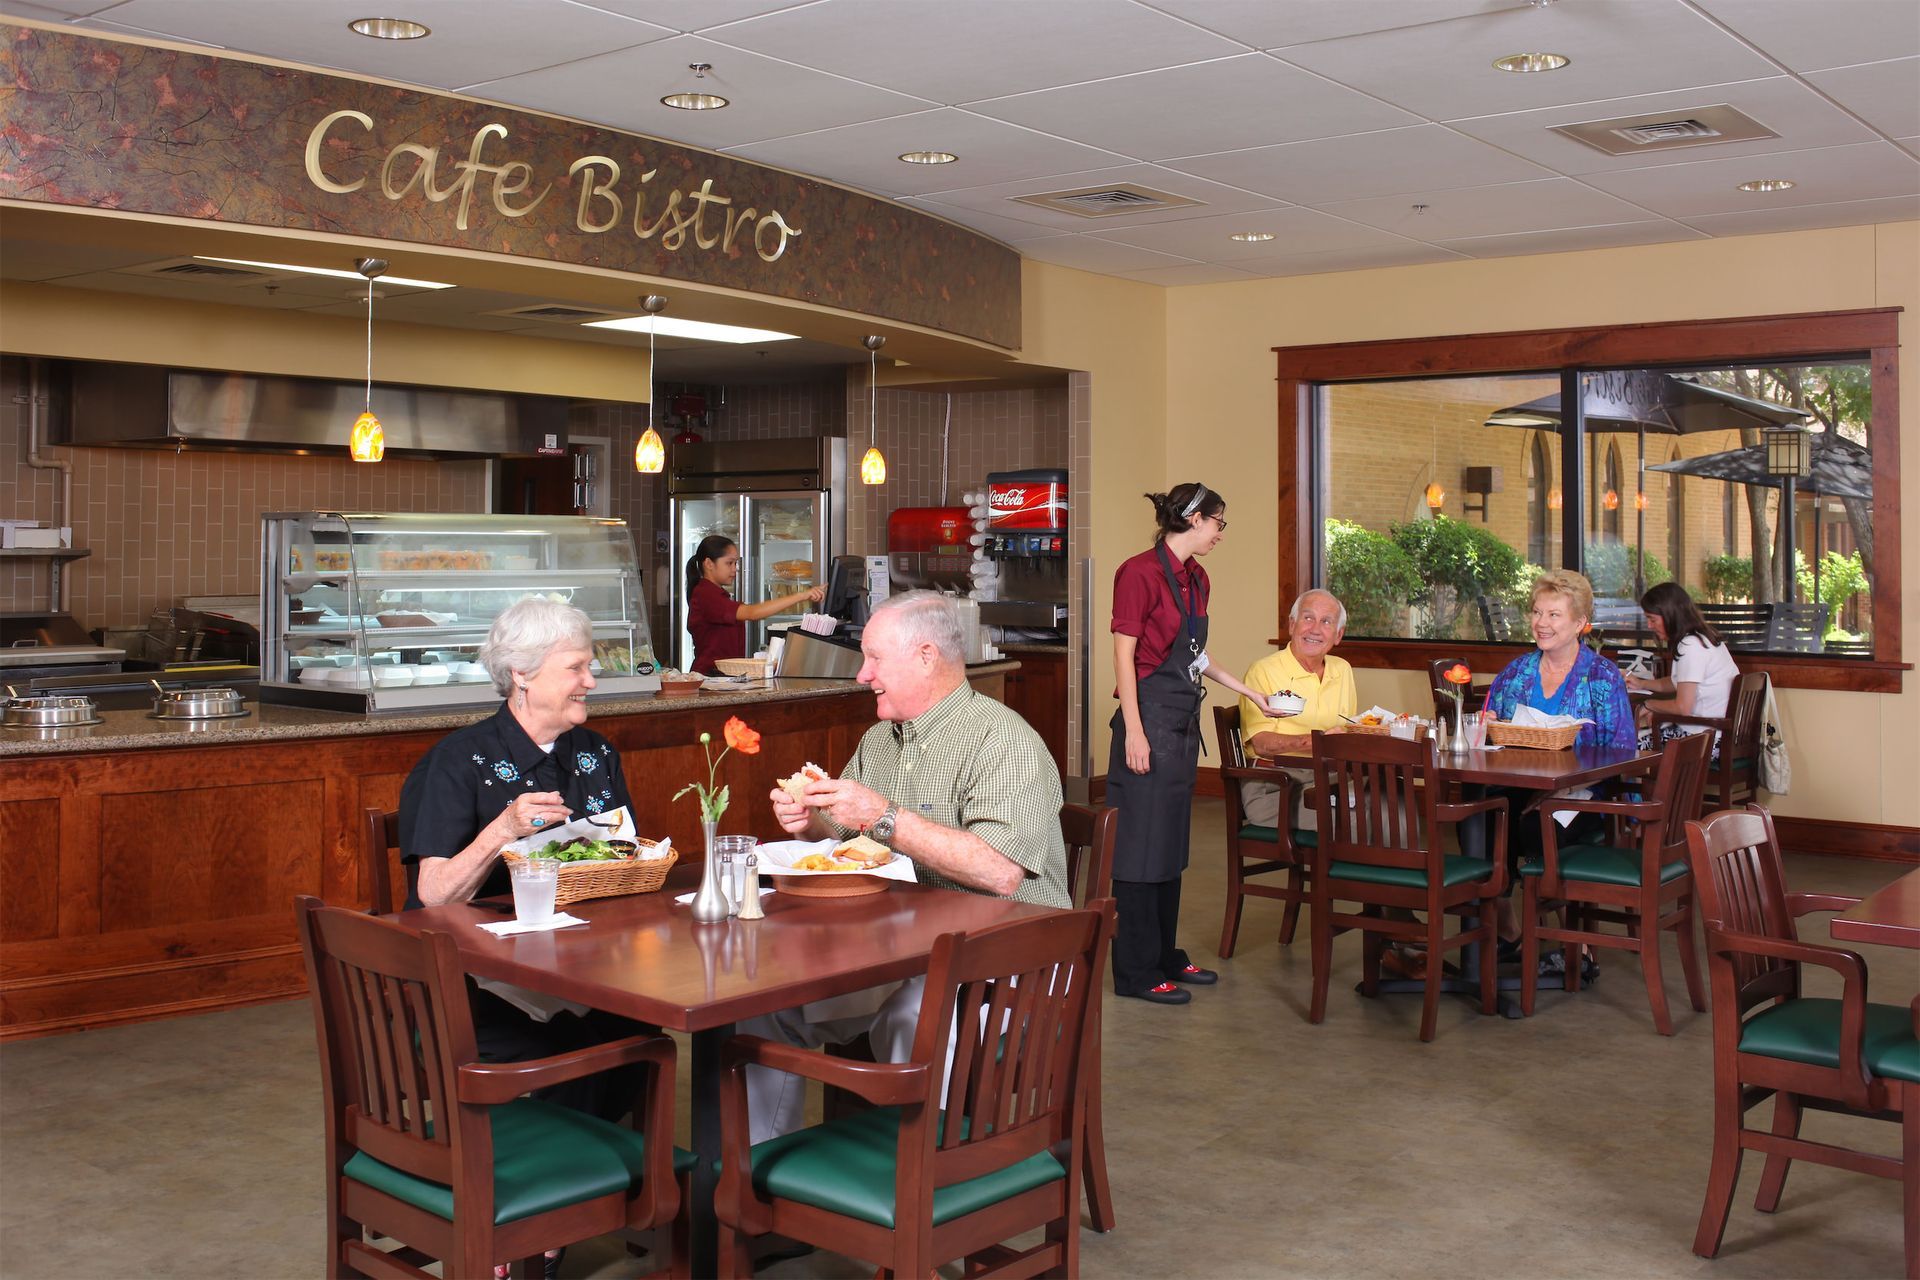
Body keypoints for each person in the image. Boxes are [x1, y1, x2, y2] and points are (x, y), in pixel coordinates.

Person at [742, 590, 1070, 1142]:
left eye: (873, 659)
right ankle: (763, 1192)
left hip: (1009, 965)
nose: (861, 675)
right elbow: (848, 840)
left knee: (916, 1014)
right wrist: (813, 824)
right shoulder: (880, 740)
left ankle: (913, 1193)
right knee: (762, 1012)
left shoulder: (1005, 741)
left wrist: (884, 815)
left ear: (924, 657)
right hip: (903, 954)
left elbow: (1002, 872)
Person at [398, 596, 650, 1128]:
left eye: (590, 666)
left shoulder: (595, 754)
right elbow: (434, 894)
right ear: (522, 675)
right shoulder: (456, 762)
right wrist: (504, 829)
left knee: (637, 1039)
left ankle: (595, 1183)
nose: (591, 681)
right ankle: (569, 1187)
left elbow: (622, 858)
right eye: (576, 668)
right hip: (468, 982)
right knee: (591, 1053)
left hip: (582, 968)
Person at [1107, 482, 1274, 1006]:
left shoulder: (1197, 578)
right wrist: (1133, 730)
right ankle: (1134, 971)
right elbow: (1124, 656)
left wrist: (1251, 691)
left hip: (1181, 722)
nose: (1221, 533)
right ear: (1196, 519)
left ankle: (1164, 956)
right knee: (1139, 850)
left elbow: (1193, 654)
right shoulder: (1138, 573)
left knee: (1171, 848)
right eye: (1219, 522)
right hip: (1149, 720)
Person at [1481, 569, 1636, 977]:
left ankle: (1577, 946)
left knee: (1538, 828)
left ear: (1581, 624)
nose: (1541, 623)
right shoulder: (1515, 673)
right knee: (1478, 822)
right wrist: (1488, 724)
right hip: (1516, 786)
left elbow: (1622, 751)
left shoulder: (1602, 678)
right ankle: (1509, 930)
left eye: (1554, 615)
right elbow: (1488, 731)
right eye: (1536, 612)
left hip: (1583, 795)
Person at [1237, 588, 1357, 830]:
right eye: (1308, 617)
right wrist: (1318, 742)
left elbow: (1349, 728)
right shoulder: (1263, 671)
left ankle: (1398, 868)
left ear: (1338, 635)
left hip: (1329, 778)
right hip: (1276, 785)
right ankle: (1339, 869)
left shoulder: (1342, 669)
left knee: (1394, 801)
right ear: (1292, 625)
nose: (1315, 629)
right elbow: (1260, 744)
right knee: (1360, 822)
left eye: (1326, 622)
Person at [1628, 581, 1739, 758]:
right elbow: (1676, 682)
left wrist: (1649, 705)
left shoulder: (1691, 646)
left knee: (1622, 747)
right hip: (1721, 736)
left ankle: (1649, 786)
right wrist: (1641, 683)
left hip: (1705, 740)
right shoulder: (1703, 639)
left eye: (1652, 619)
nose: (1649, 625)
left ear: (1671, 615)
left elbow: (1682, 708)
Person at [685, 534, 824, 675]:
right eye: (729, 563)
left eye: (736, 563)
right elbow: (751, 613)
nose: (735, 569)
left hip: (723, 676)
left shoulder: (716, 594)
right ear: (709, 564)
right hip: (709, 676)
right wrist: (801, 595)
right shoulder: (705, 594)